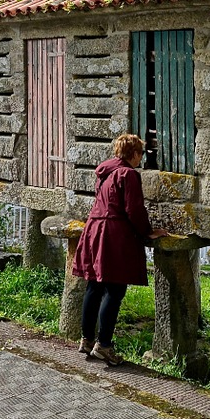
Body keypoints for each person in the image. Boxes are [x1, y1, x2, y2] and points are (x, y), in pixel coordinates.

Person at [71, 133, 165, 365]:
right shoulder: (128, 174)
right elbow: (133, 209)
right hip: (113, 233)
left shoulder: (105, 172)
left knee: (94, 285)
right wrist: (148, 232)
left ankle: (86, 340)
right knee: (115, 290)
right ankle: (103, 345)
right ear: (133, 154)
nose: (141, 159)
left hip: (95, 229)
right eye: (141, 154)